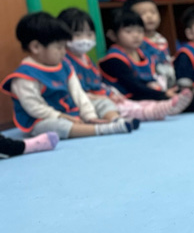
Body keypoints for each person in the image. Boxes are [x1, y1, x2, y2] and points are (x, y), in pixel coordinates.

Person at [2, 12, 138, 139]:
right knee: (57, 126)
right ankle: (102, 129)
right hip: (44, 119)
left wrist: (90, 116)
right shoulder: (24, 76)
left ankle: (115, 119)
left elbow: (78, 93)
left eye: (64, 47)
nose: (64, 52)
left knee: (102, 102)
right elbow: (34, 107)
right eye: (59, 47)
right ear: (36, 47)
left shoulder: (65, 66)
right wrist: (61, 116)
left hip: (71, 113)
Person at [58, 7, 193, 121]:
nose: (84, 40)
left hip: (110, 96)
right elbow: (75, 91)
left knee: (129, 102)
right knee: (122, 105)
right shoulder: (67, 61)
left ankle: (161, 107)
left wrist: (110, 94)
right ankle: (136, 116)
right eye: (78, 35)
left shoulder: (87, 60)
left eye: (89, 35)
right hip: (93, 100)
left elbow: (99, 84)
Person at [100, 8, 194, 114]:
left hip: (149, 91)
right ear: (112, 35)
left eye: (140, 31)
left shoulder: (143, 53)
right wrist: (164, 94)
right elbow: (134, 87)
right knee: (166, 99)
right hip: (129, 97)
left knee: (178, 92)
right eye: (129, 32)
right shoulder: (114, 59)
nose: (136, 35)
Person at [122, 0, 176, 89]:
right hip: (151, 84)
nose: (149, 16)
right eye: (143, 13)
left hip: (169, 80)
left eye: (153, 12)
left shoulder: (161, 38)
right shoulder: (136, 42)